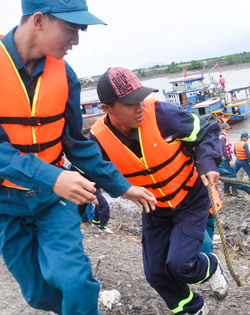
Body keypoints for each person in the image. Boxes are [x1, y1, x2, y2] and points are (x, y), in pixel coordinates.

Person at [0, 0, 156, 314]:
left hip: (53, 201)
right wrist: (53, 178)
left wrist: (122, 186)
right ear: (38, 20)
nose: (76, 39)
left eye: (80, 30)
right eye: (71, 28)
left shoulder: (66, 76)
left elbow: (77, 144)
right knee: (39, 295)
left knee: (76, 283)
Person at [90, 67, 228, 315]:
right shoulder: (98, 140)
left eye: (141, 98)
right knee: (155, 273)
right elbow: (90, 175)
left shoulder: (163, 115)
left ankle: (212, 265)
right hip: (155, 209)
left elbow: (207, 131)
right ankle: (193, 308)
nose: (140, 107)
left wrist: (207, 162)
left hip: (190, 199)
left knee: (181, 264)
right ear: (107, 109)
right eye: (130, 103)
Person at [69, 164, 114, 234]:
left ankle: (95, 221)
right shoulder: (81, 165)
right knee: (103, 205)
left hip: (92, 187)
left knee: (84, 206)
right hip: (88, 187)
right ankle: (102, 227)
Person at [219, 123, 238, 196]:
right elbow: (224, 151)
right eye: (226, 129)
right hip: (226, 159)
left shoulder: (220, 137)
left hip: (223, 159)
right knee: (233, 175)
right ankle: (235, 192)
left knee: (226, 175)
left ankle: (226, 191)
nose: (228, 131)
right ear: (222, 129)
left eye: (228, 129)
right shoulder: (223, 138)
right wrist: (230, 161)